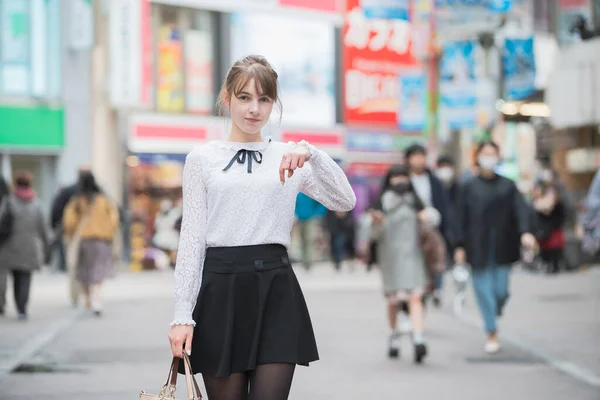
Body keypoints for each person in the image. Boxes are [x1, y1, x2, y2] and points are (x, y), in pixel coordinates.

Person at [167, 55, 356, 400]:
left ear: (274, 103)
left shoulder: (289, 156)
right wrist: (182, 315)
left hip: (276, 287)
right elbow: (192, 240)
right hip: (221, 291)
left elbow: (345, 201)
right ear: (227, 99)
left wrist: (312, 153)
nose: (254, 109)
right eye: (244, 97)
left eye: (264, 99)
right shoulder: (202, 159)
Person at [454, 141, 536, 354]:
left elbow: (520, 211)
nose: (488, 158)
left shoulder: (508, 186)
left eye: (493, 154)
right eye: (485, 154)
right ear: (477, 157)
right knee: (483, 291)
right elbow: (459, 218)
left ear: (498, 157)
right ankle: (491, 331)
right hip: (476, 245)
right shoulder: (468, 187)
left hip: (503, 244)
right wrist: (459, 245)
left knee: (500, 291)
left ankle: (494, 310)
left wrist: (525, 232)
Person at [371, 165, 435, 363]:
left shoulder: (416, 201)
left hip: (414, 256)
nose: (400, 181)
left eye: (403, 177)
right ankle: (393, 337)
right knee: (394, 301)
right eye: (395, 177)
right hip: (390, 258)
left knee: (416, 297)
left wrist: (427, 218)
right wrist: (377, 222)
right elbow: (373, 235)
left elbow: (432, 224)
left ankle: (418, 339)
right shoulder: (382, 202)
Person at [63, 171, 119, 316]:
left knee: (84, 271)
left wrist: (71, 235)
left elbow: (69, 222)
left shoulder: (77, 200)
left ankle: (88, 299)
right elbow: (114, 219)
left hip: (83, 241)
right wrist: (108, 233)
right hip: (101, 240)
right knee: (98, 271)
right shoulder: (104, 200)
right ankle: (97, 299)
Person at [405, 144, 452, 308]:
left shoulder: (434, 181)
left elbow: (443, 206)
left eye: (422, 156)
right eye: (415, 156)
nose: (419, 160)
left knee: (436, 258)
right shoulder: (403, 180)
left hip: (433, 227)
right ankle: (417, 297)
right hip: (409, 231)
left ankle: (436, 288)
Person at [0, 171, 50, 320]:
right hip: (29, 248)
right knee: (24, 279)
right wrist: (47, 247)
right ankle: (22, 308)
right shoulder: (37, 204)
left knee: (10, 277)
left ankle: (7, 304)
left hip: (9, 247)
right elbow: (44, 229)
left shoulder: (8, 202)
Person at [532, 170, 567, 274]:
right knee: (545, 246)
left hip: (554, 224)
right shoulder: (540, 191)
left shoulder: (558, 192)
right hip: (544, 225)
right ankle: (547, 264)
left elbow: (560, 208)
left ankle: (555, 265)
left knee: (554, 246)